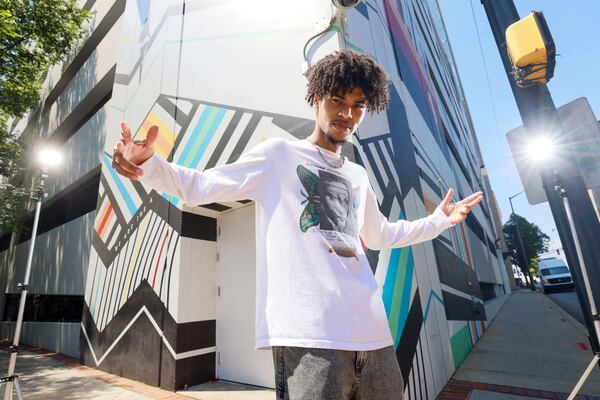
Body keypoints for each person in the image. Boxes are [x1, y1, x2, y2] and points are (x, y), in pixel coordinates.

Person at [111, 49, 483, 400]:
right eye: (338, 100)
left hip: (374, 337)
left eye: (358, 106)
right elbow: (199, 187)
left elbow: (380, 234)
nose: (347, 114)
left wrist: (438, 222)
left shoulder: (357, 175)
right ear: (316, 98)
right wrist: (149, 166)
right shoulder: (279, 155)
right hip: (310, 338)